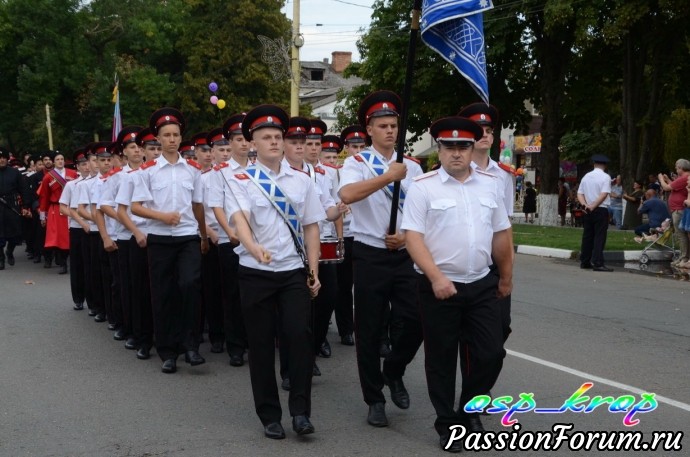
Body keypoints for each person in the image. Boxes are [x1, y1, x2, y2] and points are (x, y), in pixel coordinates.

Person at [402, 116, 512, 452]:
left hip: (481, 282)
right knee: (442, 358)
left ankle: (469, 409)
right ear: (439, 148)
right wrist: (436, 278)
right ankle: (447, 424)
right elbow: (413, 238)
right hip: (439, 286)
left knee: (491, 352)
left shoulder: (490, 184)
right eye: (449, 146)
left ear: (471, 147)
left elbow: (501, 234)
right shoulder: (424, 186)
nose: (456, 153)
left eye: (463, 146)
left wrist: (507, 276)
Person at [226, 105, 324, 439]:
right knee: (262, 344)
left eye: (278, 136)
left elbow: (312, 227)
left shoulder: (301, 181)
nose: (273, 141)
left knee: (299, 338)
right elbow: (238, 219)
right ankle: (269, 414)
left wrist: (314, 270)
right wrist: (253, 247)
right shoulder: (240, 180)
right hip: (255, 273)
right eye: (265, 137)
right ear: (252, 142)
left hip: (293, 272)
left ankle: (301, 413)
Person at [339, 90, 425, 428]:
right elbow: (347, 195)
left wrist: (406, 235)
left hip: (404, 253)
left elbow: (424, 212)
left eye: (394, 125)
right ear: (369, 130)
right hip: (370, 253)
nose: (390, 131)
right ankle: (374, 398)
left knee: (416, 319)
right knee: (370, 329)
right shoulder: (356, 164)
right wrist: (387, 177)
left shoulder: (414, 167)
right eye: (383, 126)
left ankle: (394, 371)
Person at [130, 108, 209, 374]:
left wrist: (203, 234)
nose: (172, 139)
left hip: (187, 236)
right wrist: (161, 216)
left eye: (176, 134)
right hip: (160, 238)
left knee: (190, 285)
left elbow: (197, 205)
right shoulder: (147, 171)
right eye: (167, 135)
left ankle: (191, 346)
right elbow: (136, 207)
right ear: (158, 138)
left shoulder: (193, 170)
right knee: (163, 293)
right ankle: (168, 351)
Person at [208, 113, 250, 367]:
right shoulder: (220, 172)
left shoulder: (259, 169)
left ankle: (254, 340)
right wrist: (230, 232)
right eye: (238, 139)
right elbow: (216, 206)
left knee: (255, 295)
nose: (244, 143)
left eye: (247, 138)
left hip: (256, 242)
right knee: (233, 295)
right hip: (230, 241)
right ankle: (235, 346)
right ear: (230, 143)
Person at [334, 125, 368, 347]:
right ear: (346, 148)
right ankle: (346, 329)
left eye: (362, 146)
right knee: (343, 286)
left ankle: (374, 332)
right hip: (345, 234)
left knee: (366, 287)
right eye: (354, 146)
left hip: (363, 234)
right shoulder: (335, 171)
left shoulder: (371, 169)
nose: (358, 150)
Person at [58, 148, 90, 308]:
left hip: (95, 227)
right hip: (77, 227)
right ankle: (78, 298)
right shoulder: (71, 185)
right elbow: (63, 207)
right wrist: (74, 215)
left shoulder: (98, 181)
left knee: (91, 264)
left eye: (87, 163)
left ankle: (93, 299)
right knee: (77, 264)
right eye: (82, 164)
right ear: (77, 166)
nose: (86, 167)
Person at [38, 150, 78, 273]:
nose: (60, 161)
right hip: (56, 208)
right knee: (60, 237)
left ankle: (73, 261)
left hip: (71, 207)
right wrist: (42, 215)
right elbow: (44, 196)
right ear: (53, 162)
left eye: (62, 159)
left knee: (72, 234)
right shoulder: (48, 177)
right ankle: (63, 262)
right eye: (57, 159)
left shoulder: (73, 173)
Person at [578, 154, 613, 272]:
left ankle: (585, 261)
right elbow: (604, 194)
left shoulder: (586, 176)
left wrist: (585, 205)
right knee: (599, 236)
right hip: (600, 209)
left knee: (587, 236)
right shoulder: (606, 177)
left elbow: (580, 193)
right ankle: (598, 263)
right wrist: (593, 206)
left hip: (587, 210)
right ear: (605, 165)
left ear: (594, 164)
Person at [0, 147, 31, 270]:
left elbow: (23, 189)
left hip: (11, 205)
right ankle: (1, 258)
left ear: (7, 159)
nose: (1, 160)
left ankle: (9, 251)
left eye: (3, 158)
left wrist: (25, 206)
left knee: (14, 234)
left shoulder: (15, 172)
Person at [658, 159, 690, 267]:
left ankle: (684, 258)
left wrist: (661, 180)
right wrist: (668, 180)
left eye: (676, 167)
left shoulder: (685, 177)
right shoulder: (683, 178)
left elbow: (667, 188)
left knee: (681, 235)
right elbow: (675, 188)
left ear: (681, 167)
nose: (676, 169)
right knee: (681, 235)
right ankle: (683, 257)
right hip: (678, 209)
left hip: (679, 210)